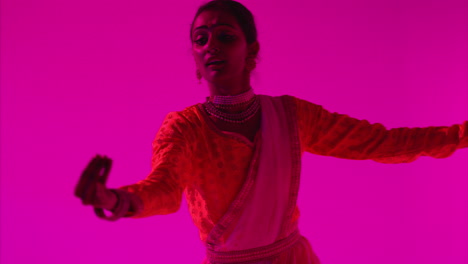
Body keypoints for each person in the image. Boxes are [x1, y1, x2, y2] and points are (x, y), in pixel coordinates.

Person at [74, 0, 468, 263]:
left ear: (252, 50)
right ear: (195, 57)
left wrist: (461, 134)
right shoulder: (186, 128)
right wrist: (115, 198)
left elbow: (382, 143)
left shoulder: (291, 116)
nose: (212, 45)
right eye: (201, 39)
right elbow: (163, 188)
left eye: (226, 36)